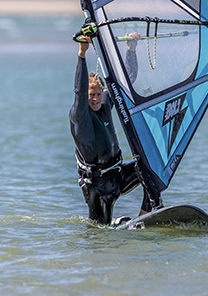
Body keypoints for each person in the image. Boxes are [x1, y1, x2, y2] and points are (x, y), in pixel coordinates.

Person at [69, 33, 162, 226]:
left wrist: (131, 50)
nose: (94, 99)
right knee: (99, 233)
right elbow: (79, 92)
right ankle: (117, 223)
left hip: (117, 176)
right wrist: (82, 55)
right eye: (90, 95)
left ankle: (142, 217)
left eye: (97, 94)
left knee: (149, 169)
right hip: (98, 187)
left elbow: (126, 80)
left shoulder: (105, 104)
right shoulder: (80, 116)